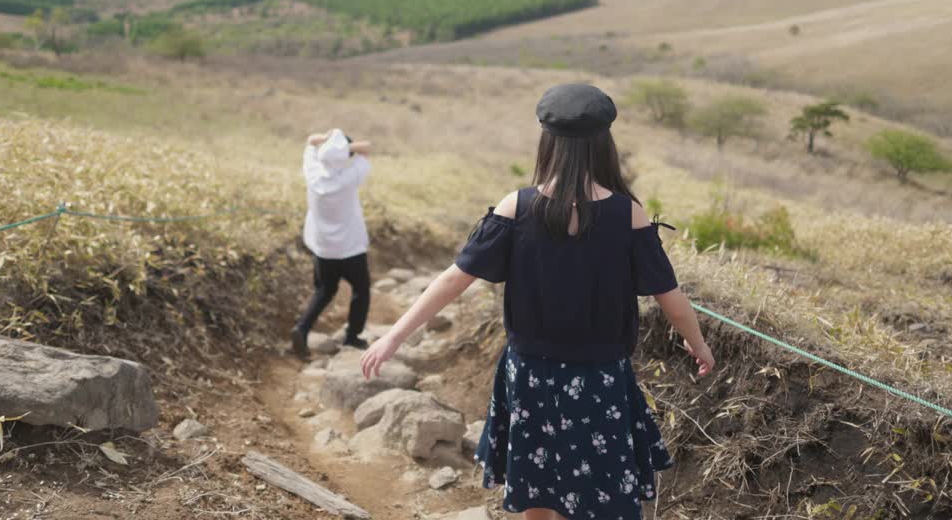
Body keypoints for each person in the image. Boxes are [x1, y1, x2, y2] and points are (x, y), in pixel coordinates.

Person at [361, 84, 714, 520]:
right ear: (605, 144)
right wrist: (698, 344)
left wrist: (395, 336)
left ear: (547, 142)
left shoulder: (517, 206)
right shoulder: (628, 214)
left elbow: (455, 279)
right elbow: (671, 297)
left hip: (530, 375)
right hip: (600, 378)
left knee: (538, 490)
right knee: (605, 494)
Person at [292, 128, 375, 359]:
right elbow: (367, 148)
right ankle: (352, 336)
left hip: (323, 249)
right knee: (361, 290)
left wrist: (326, 141)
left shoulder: (313, 173)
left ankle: (302, 328)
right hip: (351, 249)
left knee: (325, 290)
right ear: (345, 156)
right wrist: (343, 147)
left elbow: (310, 141)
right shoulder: (349, 178)